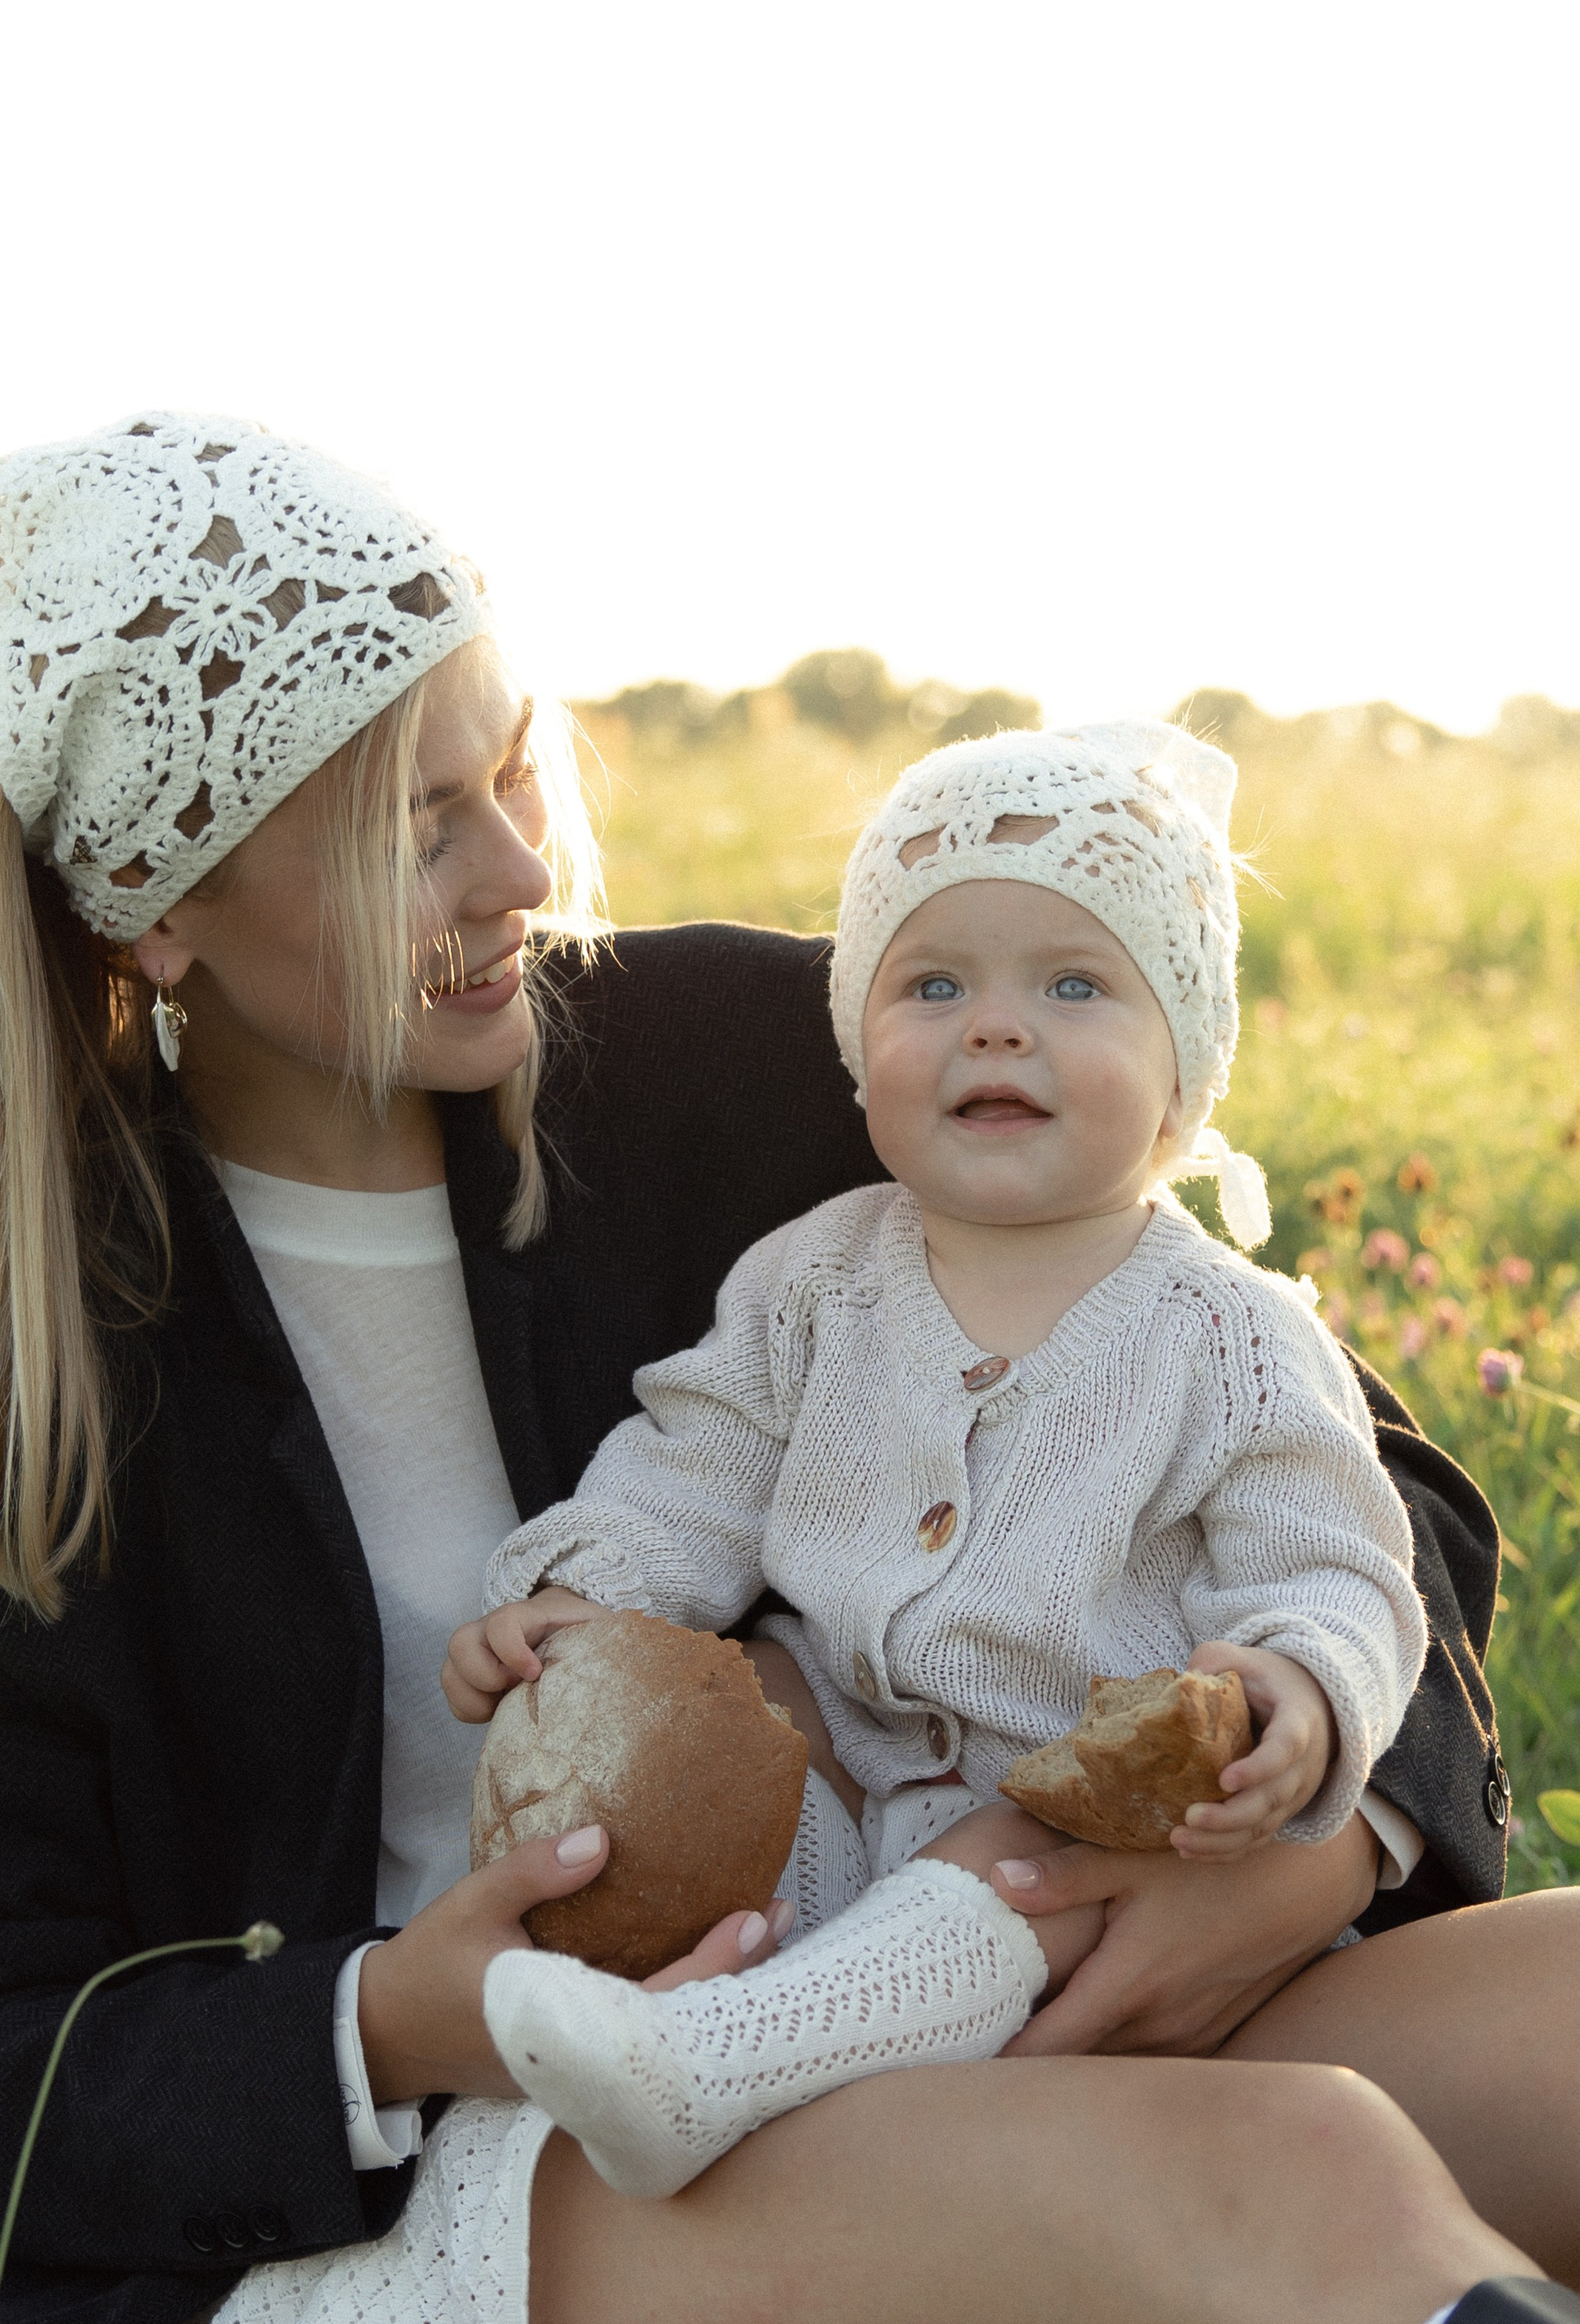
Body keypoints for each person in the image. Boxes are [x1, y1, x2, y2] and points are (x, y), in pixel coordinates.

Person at [0, 414, 1580, 2324]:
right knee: (1300, 2185)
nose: (519, 870)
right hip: (523, 2216)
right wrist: (424, 2008)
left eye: (517, 771)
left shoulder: (736, 1067)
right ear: (161, 907)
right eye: (417, 827)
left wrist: (1310, 1851)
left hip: (986, 1980)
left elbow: (1358, 1473)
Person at [435, 719, 1429, 2200]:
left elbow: (1335, 1560)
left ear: (1183, 1077)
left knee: (996, 1873)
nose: (993, 1026)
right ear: (854, 1048)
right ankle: (707, 2064)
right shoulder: (814, 1281)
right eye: (933, 984)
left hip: (1097, 1852)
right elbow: (691, 1464)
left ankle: (717, 2070)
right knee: (740, 1790)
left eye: (1075, 985)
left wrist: (1296, 1690)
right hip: (860, 1786)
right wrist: (586, 1590)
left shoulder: (1225, 1331)